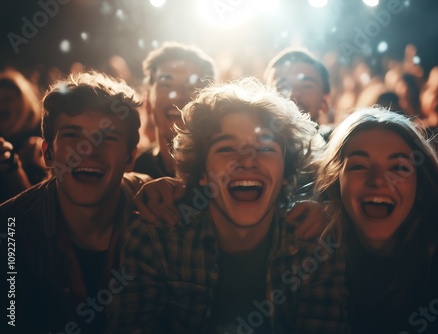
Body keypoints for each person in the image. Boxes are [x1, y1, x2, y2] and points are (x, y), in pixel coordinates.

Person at [108, 78, 349, 333]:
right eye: (226, 148)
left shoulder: (315, 247)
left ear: (287, 173)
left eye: (265, 147)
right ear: (201, 170)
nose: (246, 161)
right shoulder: (155, 238)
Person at [314, 108, 438, 333]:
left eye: (399, 168)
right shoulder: (315, 257)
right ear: (335, 182)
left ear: (420, 185)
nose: (379, 181)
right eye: (359, 166)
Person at [0, 71, 150, 333]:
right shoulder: (9, 229)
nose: (89, 150)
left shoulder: (155, 207)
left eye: (107, 137)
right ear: (47, 153)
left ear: (129, 158)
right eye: (72, 135)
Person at [133, 41, 217, 179]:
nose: (179, 95)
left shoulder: (224, 173)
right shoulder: (132, 176)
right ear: (147, 101)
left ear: (212, 104)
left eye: (192, 86)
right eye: (166, 85)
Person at [263, 47, 334, 140]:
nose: (293, 94)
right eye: (283, 86)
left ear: (325, 101)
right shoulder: (253, 148)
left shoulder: (340, 148)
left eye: (306, 86)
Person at [0, 68, 48, 203]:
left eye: (7, 99)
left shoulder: (37, 146)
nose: (1, 105)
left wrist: (10, 165)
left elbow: (37, 208)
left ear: (24, 104)